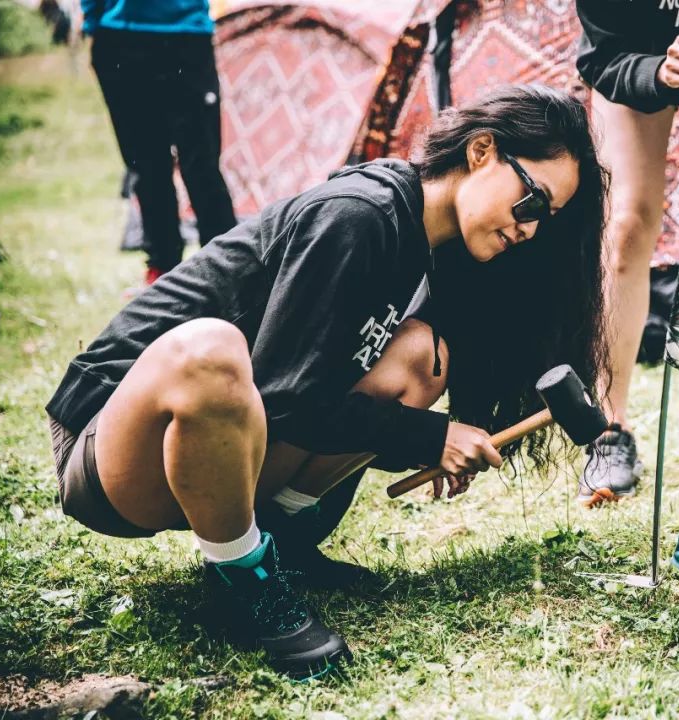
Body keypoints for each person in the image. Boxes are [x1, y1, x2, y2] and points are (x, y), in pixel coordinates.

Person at [46, 85, 609, 678]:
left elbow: (326, 401)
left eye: (545, 219)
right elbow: (285, 399)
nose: (531, 229)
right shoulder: (359, 216)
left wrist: (432, 438)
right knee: (209, 350)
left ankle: (280, 547)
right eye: (531, 203)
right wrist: (430, 438)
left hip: (226, 447)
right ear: (481, 152)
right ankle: (245, 579)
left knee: (423, 356)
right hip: (110, 447)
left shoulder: (427, 249)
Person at [574, 0, 679, 507]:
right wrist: (660, 72)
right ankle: (608, 433)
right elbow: (602, 59)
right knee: (626, 224)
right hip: (645, 56)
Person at [82, 0, 237, 285]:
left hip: (185, 36)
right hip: (120, 38)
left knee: (201, 165)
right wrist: (94, 23)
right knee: (147, 166)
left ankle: (228, 273)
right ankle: (163, 276)